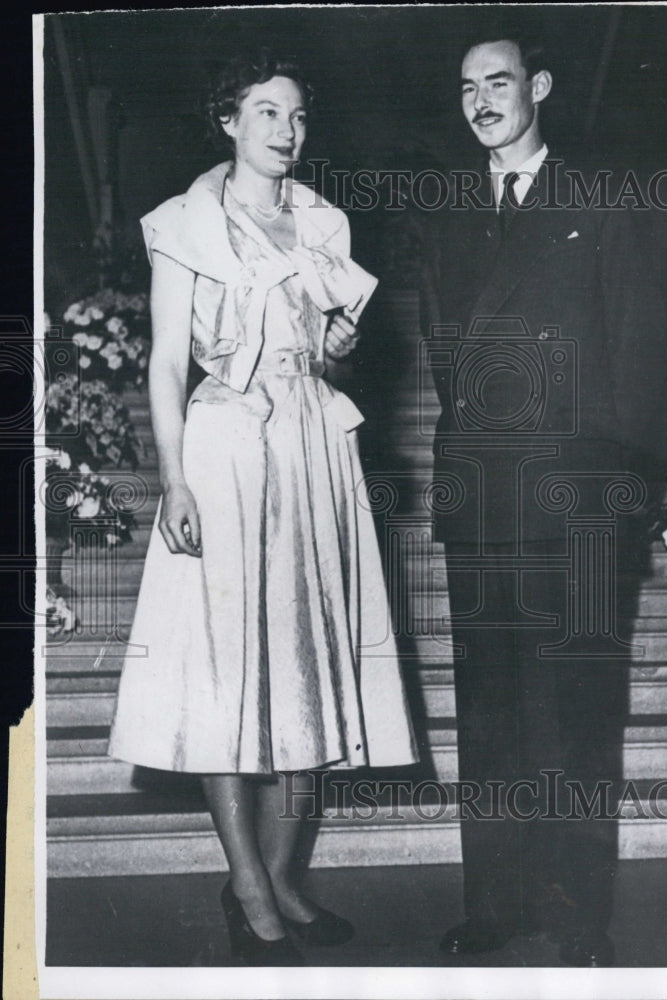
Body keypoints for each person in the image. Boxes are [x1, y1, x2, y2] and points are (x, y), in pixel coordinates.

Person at [109, 50, 418, 966]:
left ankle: (283, 879)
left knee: (309, 664)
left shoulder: (324, 222)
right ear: (229, 122)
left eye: (296, 116)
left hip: (316, 449)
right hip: (225, 453)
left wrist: (338, 344)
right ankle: (246, 883)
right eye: (266, 112)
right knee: (227, 671)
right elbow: (168, 363)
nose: (286, 130)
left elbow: (328, 356)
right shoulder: (186, 225)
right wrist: (173, 478)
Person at [421, 33, 667, 965]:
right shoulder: (446, 219)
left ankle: (574, 920)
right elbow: (445, 358)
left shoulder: (599, 203)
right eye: (466, 86)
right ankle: (494, 908)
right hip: (483, 503)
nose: (481, 99)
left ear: (541, 88)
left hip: (577, 509)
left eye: (499, 81)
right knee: (486, 713)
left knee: (576, 715)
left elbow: (638, 364)